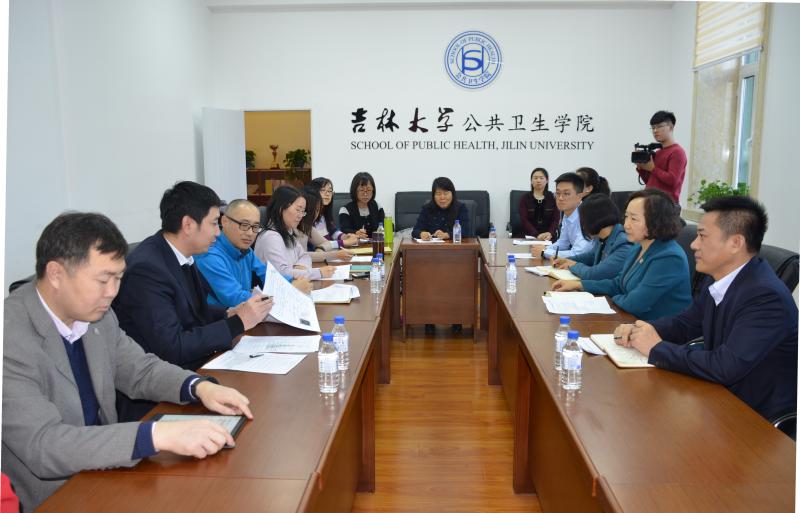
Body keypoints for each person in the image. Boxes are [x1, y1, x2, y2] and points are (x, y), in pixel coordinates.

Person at [2, 213, 254, 512]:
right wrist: (153, 435)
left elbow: (138, 368)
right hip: (54, 496)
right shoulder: (10, 337)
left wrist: (198, 387)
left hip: (108, 470)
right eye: (102, 280)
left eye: (118, 278)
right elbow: (44, 444)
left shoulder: (96, 313)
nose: (112, 292)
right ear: (56, 273)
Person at [614, 196, 797, 421]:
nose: (693, 244)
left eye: (702, 236)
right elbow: (686, 324)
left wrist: (656, 348)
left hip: (753, 417)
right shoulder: (718, 277)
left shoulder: (767, 298)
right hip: (716, 396)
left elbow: (725, 366)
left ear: (735, 243)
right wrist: (640, 330)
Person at [113, 182, 273, 420]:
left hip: (195, 370)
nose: (218, 232)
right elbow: (172, 348)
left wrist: (228, 313)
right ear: (188, 225)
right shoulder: (147, 269)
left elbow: (195, 309)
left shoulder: (181, 255)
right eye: (213, 223)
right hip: (157, 397)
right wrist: (237, 322)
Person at [553, 188, 691, 320]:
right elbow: (618, 284)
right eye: (626, 217)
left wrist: (612, 298)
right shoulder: (638, 246)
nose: (626, 225)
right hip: (630, 320)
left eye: (634, 219)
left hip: (655, 329)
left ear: (656, 221)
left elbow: (634, 304)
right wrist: (579, 285)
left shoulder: (669, 257)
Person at [194, 199, 270, 309]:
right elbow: (235, 298)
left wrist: (291, 282)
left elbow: (267, 274)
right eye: (244, 225)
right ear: (224, 222)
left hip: (246, 314)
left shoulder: (246, 250)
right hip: (219, 318)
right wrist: (274, 299)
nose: (250, 233)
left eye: (255, 227)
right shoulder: (209, 254)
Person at [254, 185, 337, 283]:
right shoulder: (271, 237)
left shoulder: (288, 232)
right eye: (298, 210)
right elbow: (282, 273)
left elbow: (304, 256)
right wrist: (319, 273)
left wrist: (300, 266)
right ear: (281, 208)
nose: (301, 216)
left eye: (303, 211)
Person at [553, 194, 634, 280]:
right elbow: (591, 256)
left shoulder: (624, 244)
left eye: (583, 219)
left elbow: (595, 274)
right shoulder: (602, 237)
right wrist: (566, 260)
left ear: (593, 219)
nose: (582, 224)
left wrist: (572, 265)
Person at [532, 172, 593, 260]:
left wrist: (544, 252)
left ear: (579, 196)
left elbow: (578, 253)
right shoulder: (568, 212)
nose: (560, 198)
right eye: (558, 193)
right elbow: (563, 243)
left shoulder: (587, 217)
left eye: (566, 194)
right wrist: (544, 248)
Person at [635, 110, 687, 207]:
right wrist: (641, 168)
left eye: (659, 126)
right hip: (650, 201)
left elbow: (673, 181)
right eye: (653, 127)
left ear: (670, 127)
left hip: (665, 206)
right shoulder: (658, 152)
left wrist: (653, 168)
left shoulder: (677, 152)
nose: (655, 131)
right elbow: (650, 181)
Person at [298, 186, 353, 263]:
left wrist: (321, 249)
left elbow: (326, 243)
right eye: (312, 210)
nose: (315, 214)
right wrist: (336, 255)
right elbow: (301, 256)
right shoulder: (294, 227)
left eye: (318, 210)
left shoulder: (306, 226)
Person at [309, 177, 359, 247]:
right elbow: (323, 244)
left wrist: (345, 236)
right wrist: (345, 242)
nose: (327, 194)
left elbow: (333, 231)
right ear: (313, 192)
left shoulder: (324, 214)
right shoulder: (307, 218)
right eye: (323, 190)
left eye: (330, 191)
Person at [338, 172, 385, 237]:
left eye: (368, 190)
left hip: (376, 242)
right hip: (355, 242)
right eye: (362, 190)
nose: (365, 194)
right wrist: (356, 233)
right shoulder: (345, 210)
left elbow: (384, 226)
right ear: (355, 191)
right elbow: (344, 230)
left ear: (373, 190)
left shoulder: (377, 206)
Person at [518, 167, 559, 240]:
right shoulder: (525, 198)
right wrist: (536, 235)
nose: (538, 180)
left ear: (547, 180)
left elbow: (555, 219)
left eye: (541, 178)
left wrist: (550, 233)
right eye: (535, 178)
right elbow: (524, 220)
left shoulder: (553, 198)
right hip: (530, 236)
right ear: (531, 181)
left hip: (549, 237)